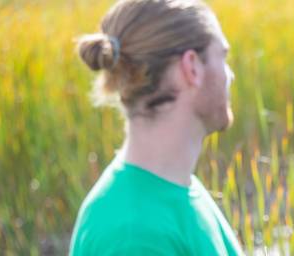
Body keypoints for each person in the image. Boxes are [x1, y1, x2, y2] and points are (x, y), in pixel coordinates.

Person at [69, 0, 241, 255]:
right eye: (222, 57)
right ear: (192, 67)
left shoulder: (177, 187)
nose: (230, 75)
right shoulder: (134, 236)